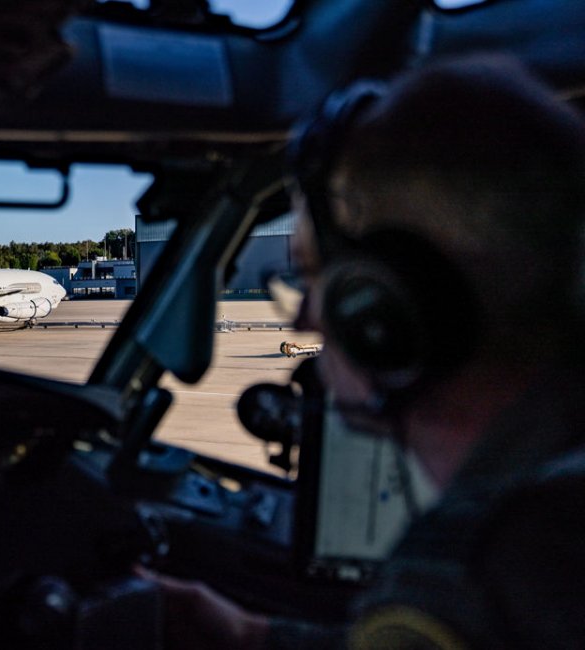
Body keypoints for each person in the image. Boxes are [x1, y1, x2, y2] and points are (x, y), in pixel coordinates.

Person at [145, 55, 585, 649]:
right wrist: (253, 637)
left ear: (379, 309)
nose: (304, 319)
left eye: (313, 276)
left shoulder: (484, 574)